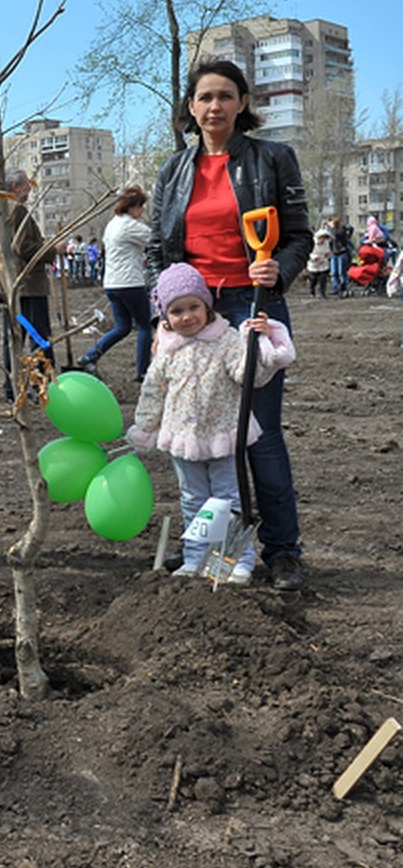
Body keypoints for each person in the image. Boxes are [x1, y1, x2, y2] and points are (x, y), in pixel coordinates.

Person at [146, 58, 311, 591]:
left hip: (251, 306)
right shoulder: (173, 172)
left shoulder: (273, 159)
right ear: (190, 109)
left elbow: (299, 237)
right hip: (190, 315)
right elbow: (157, 250)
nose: (214, 106)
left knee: (257, 436)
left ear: (242, 103)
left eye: (224, 96)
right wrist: (161, 317)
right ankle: (217, 551)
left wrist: (278, 269)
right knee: (200, 439)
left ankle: (282, 552)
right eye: (204, 98)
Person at [128, 264, 295, 583]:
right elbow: (153, 390)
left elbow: (250, 377)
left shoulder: (227, 340)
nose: (187, 316)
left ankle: (234, 559)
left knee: (228, 499)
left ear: (207, 305)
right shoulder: (167, 348)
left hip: (223, 436)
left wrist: (260, 346)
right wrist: (145, 427)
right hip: (182, 438)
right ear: (165, 316)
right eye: (177, 311)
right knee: (193, 500)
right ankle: (196, 556)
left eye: (193, 307)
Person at [77, 185, 153, 381]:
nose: (142, 210)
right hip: (130, 283)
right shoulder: (131, 225)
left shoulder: (112, 224)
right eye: (140, 206)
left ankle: (90, 356)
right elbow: (155, 239)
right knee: (144, 326)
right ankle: (143, 370)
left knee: (122, 327)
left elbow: (125, 251)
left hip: (111, 284)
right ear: (131, 207)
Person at [0, 167, 54, 400]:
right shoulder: (16, 210)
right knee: (38, 335)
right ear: (15, 187)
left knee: (14, 336)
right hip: (28, 287)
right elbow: (23, 248)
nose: (29, 193)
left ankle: (12, 387)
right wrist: (52, 249)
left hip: (12, 287)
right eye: (27, 188)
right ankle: (41, 383)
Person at [327, 216, 353, 297]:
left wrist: (332, 227)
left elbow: (337, 234)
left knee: (341, 272)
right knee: (334, 272)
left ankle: (343, 287)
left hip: (342, 252)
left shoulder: (341, 231)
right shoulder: (332, 231)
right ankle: (335, 288)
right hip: (334, 253)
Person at [307, 229, 331, 299]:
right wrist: (314, 257)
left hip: (323, 264)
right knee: (313, 280)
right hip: (313, 265)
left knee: (323, 279)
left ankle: (323, 293)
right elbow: (308, 253)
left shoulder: (326, 243)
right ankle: (312, 292)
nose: (323, 240)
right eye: (322, 238)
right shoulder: (312, 242)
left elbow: (328, 250)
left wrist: (328, 254)